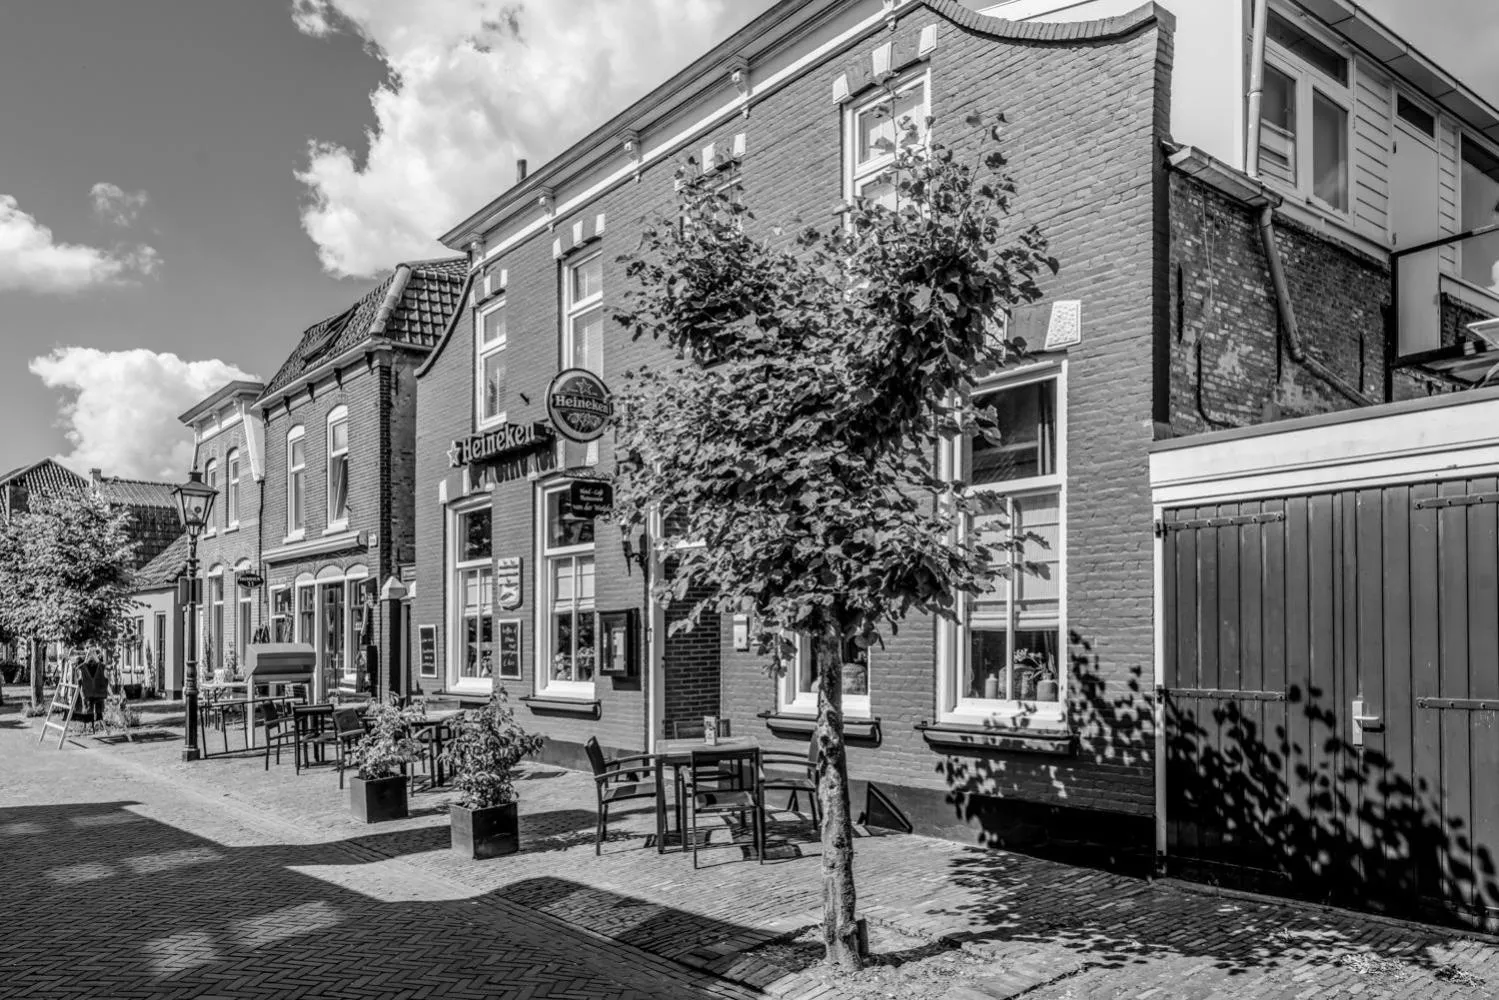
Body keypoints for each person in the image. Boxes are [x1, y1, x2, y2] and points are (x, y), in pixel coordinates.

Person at [76, 650, 110, 734]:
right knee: (92, 710)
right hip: (96, 694)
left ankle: (96, 725)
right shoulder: (82, 667)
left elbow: (79, 681)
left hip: (92, 694)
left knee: (94, 710)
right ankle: (100, 726)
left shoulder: (101, 667)